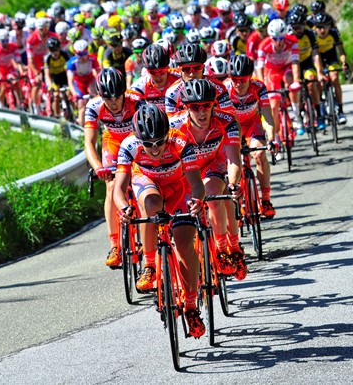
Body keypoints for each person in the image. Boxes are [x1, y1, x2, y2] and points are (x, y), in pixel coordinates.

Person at [114, 103, 207, 338]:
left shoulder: (181, 142)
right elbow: (119, 189)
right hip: (147, 182)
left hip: (179, 186)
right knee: (151, 206)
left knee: (185, 245)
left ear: (167, 134)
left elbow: (196, 184)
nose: (154, 149)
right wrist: (124, 208)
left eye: (159, 142)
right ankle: (150, 265)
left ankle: (191, 305)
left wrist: (196, 200)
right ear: (138, 140)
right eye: (148, 144)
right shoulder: (129, 146)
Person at [169, 79, 246, 279]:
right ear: (186, 107)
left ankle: (222, 249)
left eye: (206, 106)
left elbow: (234, 159)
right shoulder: (173, 125)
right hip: (186, 171)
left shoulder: (227, 120)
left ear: (213, 104)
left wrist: (233, 184)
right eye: (195, 107)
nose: (202, 112)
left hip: (214, 163)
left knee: (213, 195)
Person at [84, 68, 139, 268]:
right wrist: (99, 167)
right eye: (108, 98)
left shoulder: (136, 101)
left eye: (117, 96)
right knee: (111, 185)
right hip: (113, 143)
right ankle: (115, 244)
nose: (114, 102)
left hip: (136, 141)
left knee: (142, 181)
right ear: (100, 95)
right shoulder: (94, 106)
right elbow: (89, 143)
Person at [226, 55, 277, 220]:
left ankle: (266, 200)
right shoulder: (225, 88)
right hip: (232, 128)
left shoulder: (258, 87)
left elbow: (267, 115)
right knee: (234, 162)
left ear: (250, 77)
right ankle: (237, 202)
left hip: (252, 124)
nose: (239, 84)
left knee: (260, 154)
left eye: (243, 80)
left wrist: (271, 139)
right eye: (235, 79)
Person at [255, 18, 302, 148]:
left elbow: (295, 63)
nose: (279, 42)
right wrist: (261, 87)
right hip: (272, 71)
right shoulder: (263, 46)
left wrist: (296, 81)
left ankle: (297, 114)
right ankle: (276, 139)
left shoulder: (292, 41)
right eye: (275, 39)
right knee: (274, 106)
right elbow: (259, 68)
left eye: (281, 38)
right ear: (271, 38)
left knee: (292, 83)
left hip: (286, 68)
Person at [287, 11, 327, 131]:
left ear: (304, 24)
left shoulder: (309, 34)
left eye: (300, 26)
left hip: (307, 63)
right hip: (293, 65)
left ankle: (319, 113)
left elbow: (316, 54)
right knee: (295, 87)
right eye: (295, 27)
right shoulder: (288, 37)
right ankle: (298, 114)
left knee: (311, 81)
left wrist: (319, 72)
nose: (298, 29)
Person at [312, 12, 349, 124]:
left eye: (325, 27)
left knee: (334, 78)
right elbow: (314, 54)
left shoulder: (334, 33)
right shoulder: (312, 35)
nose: (322, 30)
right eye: (319, 27)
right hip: (318, 57)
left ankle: (341, 110)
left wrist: (343, 63)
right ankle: (321, 103)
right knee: (318, 81)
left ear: (329, 26)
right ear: (315, 27)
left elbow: (341, 51)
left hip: (331, 57)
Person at [127, 44, 180, 110]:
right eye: (153, 72)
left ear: (168, 68)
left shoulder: (178, 76)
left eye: (161, 72)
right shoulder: (140, 84)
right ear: (147, 71)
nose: (158, 76)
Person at [26, 18, 59, 112]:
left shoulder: (53, 36)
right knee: (36, 84)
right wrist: (36, 73)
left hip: (48, 63)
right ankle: (35, 107)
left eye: (43, 28)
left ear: (47, 27)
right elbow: (30, 60)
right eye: (39, 29)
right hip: (35, 63)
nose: (41, 31)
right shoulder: (31, 40)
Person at [67, 39, 100, 125]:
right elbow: (70, 81)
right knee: (81, 105)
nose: (82, 57)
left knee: (94, 96)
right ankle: (82, 130)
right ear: (75, 53)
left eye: (84, 54)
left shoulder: (92, 59)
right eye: (79, 54)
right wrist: (74, 93)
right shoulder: (72, 63)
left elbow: (99, 75)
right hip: (79, 83)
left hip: (90, 81)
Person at [0, 28, 25, 109]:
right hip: (0, 70)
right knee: (3, 87)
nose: (5, 43)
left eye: (7, 40)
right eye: (3, 41)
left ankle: (21, 102)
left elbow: (18, 61)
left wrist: (21, 71)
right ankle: (1, 104)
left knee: (16, 82)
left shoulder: (13, 47)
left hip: (10, 68)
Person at [43, 36, 71, 117]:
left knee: (69, 94)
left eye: (56, 49)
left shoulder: (64, 54)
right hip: (54, 78)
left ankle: (73, 113)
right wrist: (50, 86)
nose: (55, 52)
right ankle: (57, 116)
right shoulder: (47, 58)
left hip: (64, 76)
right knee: (56, 95)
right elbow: (47, 74)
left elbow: (69, 70)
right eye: (52, 50)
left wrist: (70, 83)